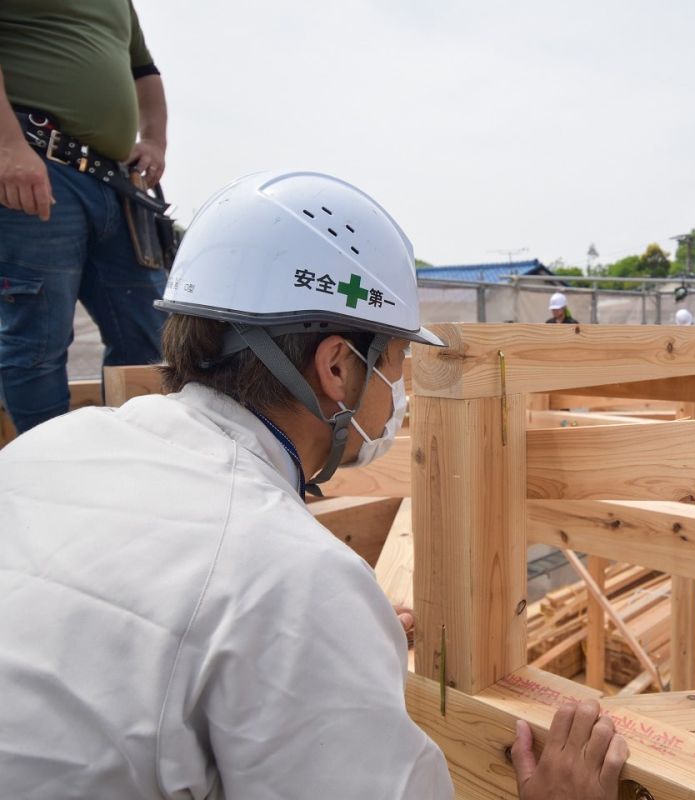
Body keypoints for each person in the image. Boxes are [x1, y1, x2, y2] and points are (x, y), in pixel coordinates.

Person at [0, 172, 627, 798]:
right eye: (396, 361)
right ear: (337, 367)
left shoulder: (48, 447)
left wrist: (318, 640)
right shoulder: (289, 576)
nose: (401, 387)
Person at [0, 2, 171, 433]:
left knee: (150, 336)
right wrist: (9, 147)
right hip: (39, 164)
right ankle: (50, 476)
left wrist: (154, 139)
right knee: (38, 341)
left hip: (116, 184)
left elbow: (143, 69)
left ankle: (131, 462)